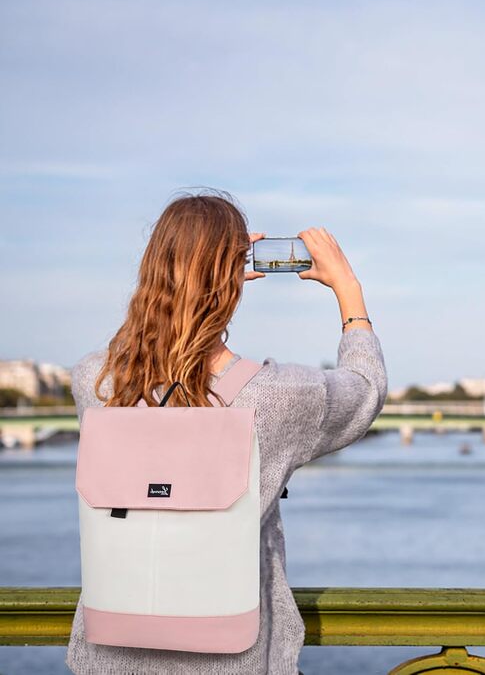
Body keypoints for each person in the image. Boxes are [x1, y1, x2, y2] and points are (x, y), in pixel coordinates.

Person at [65, 191, 388, 675]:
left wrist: (203, 278)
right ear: (233, 279)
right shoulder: (278, 397)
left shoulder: (95, 381)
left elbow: (141, 359)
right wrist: (349, 289)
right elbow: (365, 391)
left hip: (110, 657)